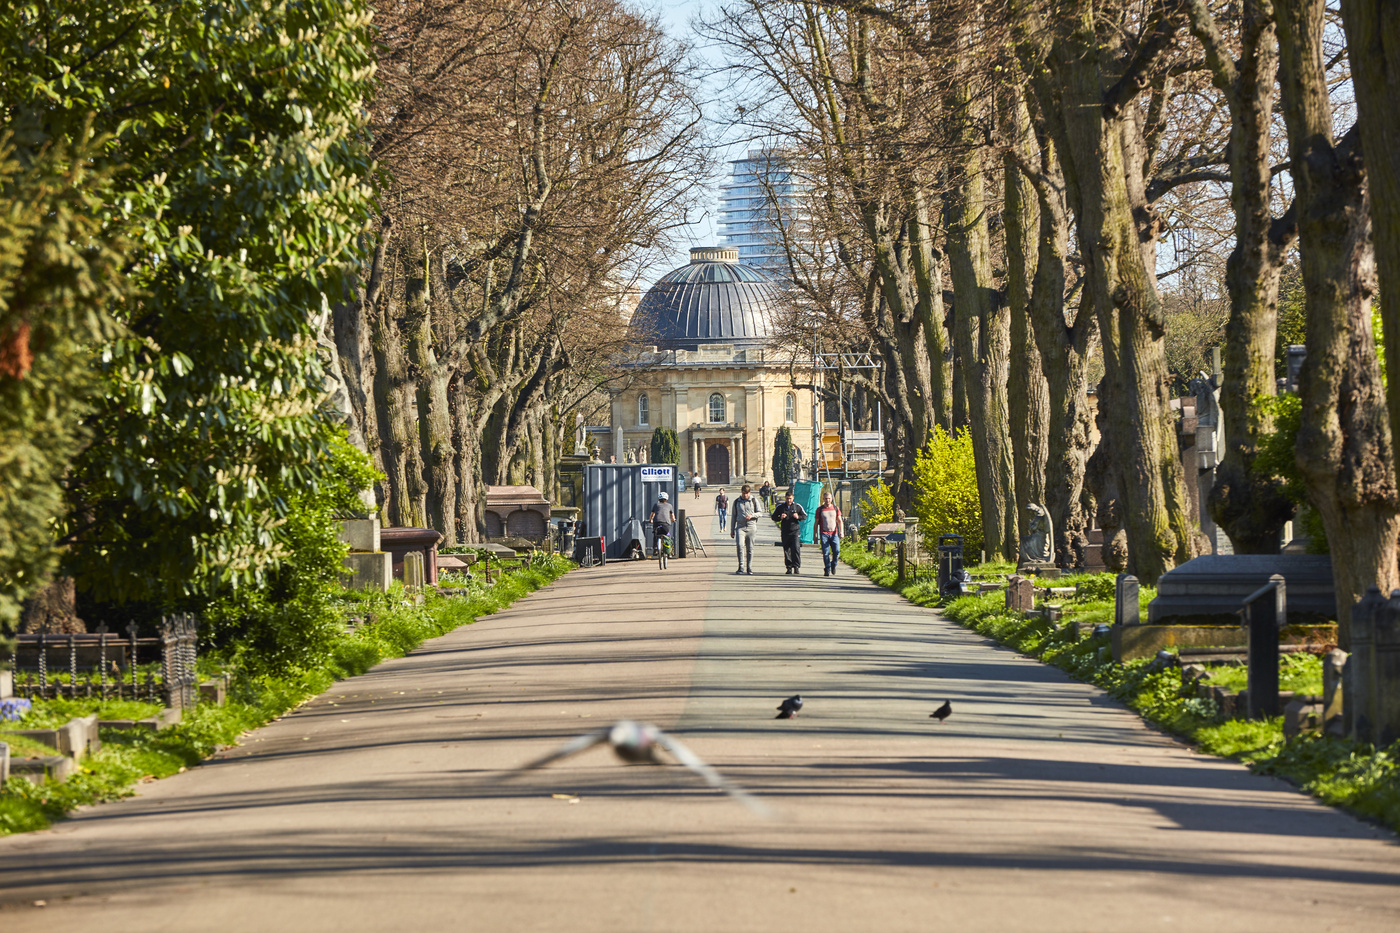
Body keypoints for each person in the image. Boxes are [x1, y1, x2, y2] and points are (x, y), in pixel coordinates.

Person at [771, 490, 807, 574]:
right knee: (787, 550)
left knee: (796, 548)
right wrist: (780, 517)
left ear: (793, 498)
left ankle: (796, 566)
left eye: (790, 498)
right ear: (785, 498)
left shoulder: (797, 506)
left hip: (795, 531)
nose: (789, 500)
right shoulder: (781, 507)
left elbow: (804, 516)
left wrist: (798, 517)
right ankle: (789, 567)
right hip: (785, 531)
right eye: (787, 499)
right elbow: (773, 517)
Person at [729, 484, 761, 574]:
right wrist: (732, 530)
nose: (745, 495)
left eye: (747, 493)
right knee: (739, 545)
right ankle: (741, 566)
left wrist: (752, 516)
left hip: (751, 527)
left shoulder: (754, 500)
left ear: (749, 493)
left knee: (750, 548)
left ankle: (749, 567)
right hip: (740, 527)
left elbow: (760, 513)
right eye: (743, 493)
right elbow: (733, 517)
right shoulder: (736, 502)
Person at [814, 490, 844, 576]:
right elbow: (816, 523)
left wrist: (841, 532)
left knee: (837, 551)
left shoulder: (835, 508)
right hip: (824, 533)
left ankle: (833, 564)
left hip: (834, 534)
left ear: (831, 499)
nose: (827, 500)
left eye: (829, 498)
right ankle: (827, 568)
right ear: (823, 499)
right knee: (826, 552)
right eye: (826, 499)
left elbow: (840, 521)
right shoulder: (820, 510)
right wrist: (815, 535)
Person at [648, 491, 675, 556]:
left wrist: (650, 520)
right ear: (666, 499)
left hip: (656, 523)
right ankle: (670, 552)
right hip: (666, 524)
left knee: (655, 535)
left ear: (658, 499)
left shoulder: (656, 505)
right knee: (668, 536)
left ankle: (655, 549)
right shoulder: (669, 506)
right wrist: (673, 520)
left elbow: (652, 514)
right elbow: (673, 516)